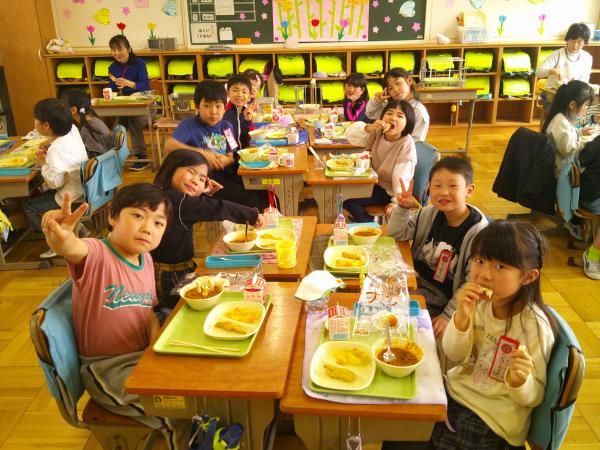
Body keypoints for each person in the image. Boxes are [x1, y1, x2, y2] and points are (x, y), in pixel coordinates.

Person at [40, 185, 190, 449]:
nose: (147, 228)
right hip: (107, 369)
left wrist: (157, 349)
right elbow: (72, 247)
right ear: (113, 216)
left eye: (158, 223)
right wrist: (61, 238)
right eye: (138, 215)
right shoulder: (98, 254)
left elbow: (148, 312)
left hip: (142, 357)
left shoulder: (146, 259)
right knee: (174, 411)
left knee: (196, 385)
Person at [430, 221, 555, 449]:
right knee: (402, 423)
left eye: (500, 267)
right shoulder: (478, 303)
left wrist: (519, 382)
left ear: (528, 277)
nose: (484, 275)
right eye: (479, 261)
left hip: (493, 420)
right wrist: (460, 319)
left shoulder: (534, 327)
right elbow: (453, 354)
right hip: (456, 395)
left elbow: (535, 396)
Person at [152, 149, 264, 316]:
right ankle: (166, 316)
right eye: (191, 172)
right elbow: (215, 207)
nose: (195, 180)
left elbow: (197, 204)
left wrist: (203, 190)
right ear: (172, 167)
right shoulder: (178, 202)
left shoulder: (162, 193)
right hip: (170, 279)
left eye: (201, 179)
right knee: (212, 305)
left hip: (169, 273)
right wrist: (252, 215)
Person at [388, 157, 488, 338]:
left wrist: (449, 315)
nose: (444, 192)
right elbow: (397, 233)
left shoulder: (478, 234)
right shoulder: (430, 213)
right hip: (413, 280)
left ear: (469, 190)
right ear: (429, 188)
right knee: (371, 293)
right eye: (437, 186)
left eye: (453, 186)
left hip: (442, 297)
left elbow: (473, 282)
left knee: (387, 315)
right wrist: (402, 208)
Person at [164, 80, 270, 210]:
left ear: (224, 108)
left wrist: (224, 160)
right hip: (205, 181)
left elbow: (231, 157)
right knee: (252, 199)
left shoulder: (226, 127)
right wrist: (203, 154)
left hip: (226, 174)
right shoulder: (189, 125)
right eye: (207, 106)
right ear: (197, 107)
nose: (213, 111)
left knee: (264, 190)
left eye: (218, 106)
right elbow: (168, 145)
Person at [24, 98, 88, 259]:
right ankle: (79, 229)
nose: (34, 122)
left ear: (46, 125)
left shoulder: (56, 151)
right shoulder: (72, 128)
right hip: (84, 188)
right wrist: (49, 141)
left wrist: (43, 164)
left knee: (29, 206)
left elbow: (54, 183)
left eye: (35, 120)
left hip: (71, 196)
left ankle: (55, 240)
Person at [343, 100, 417, 222]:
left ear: (407, 123)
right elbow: (350, 135)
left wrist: (397, 202)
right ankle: (365, 219)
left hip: (389, 191)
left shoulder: (406, 144)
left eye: (400, 116)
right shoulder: (378, 133)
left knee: (346, 200)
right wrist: (367, 128)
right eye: (389, 113)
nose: (393, 118)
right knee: (342, 191)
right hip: (372, 183)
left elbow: (401, 177)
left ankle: (371, 224)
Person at [542, 80, 596, 241]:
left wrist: (580, 132)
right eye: (585, 105)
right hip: (564, 173)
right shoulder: (560, 122)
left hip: (566, 167)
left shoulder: (562, 119)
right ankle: (575, 221)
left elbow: (567, 138)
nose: (586, 109)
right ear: (572, 105)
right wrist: (590, 140)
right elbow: (569, 148)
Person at [108, 34, 153, 171]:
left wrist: (129, 83)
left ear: (129, 49)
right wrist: (112, 91)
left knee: (134, 120)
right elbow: (111, 88)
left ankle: (141, 157)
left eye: (120, 49)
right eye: (113, 50)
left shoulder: (139, 64)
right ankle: (115, 157)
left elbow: (146, 86)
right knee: (118, 126)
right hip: (125, 107)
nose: (117, 53)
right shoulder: (112, 68)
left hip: (145, 107)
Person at [365, 67, 430, 142]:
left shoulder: (419, 111)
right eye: (390, 88)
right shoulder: (390, 106)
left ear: (409, 81)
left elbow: (417, 141)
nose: (395, 89)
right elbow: (370, 114)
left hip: (404, 149)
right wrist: (376, 101)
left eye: (398, 83)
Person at [536, 23, 593, 90]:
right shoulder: (558, 54)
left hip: (574, 92)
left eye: (579, 42)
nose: (575, 45)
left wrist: (575, 83)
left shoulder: (587, 57)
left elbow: (585, 79)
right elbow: (538, 72)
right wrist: (551, 71)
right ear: (567, 40)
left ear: (585, 43)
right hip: (553, 92)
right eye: (572, 41)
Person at [60, 89, 113, 158]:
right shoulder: (92, 119)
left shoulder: (87, 129)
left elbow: (93, 156)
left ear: (73, 110)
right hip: (107, 158)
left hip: (102, 161)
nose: (61, 111)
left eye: (62, 107)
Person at [223, 74, 257, 149]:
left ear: (249, 95)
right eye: (235, 90)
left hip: (243, 153)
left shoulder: (245, 112)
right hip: (230, 155)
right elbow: (230, 143)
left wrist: (247, 121)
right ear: (228, 93)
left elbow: (245, 139)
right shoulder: (224, 113)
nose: (239, 95)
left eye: (244, 92)